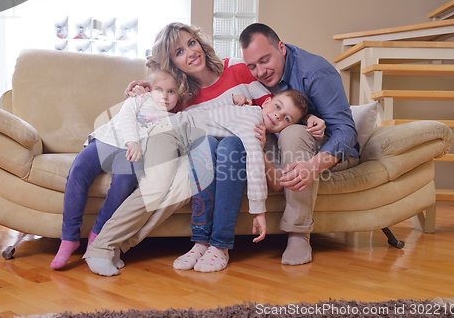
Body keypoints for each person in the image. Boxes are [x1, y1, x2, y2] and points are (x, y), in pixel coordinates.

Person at [83, 22, 325, 276]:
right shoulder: (181, 93)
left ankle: (120, 245)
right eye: (178, 52)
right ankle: (105, 247)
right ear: (172, 63)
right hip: (191, 149)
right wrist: (145, 88)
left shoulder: (238, 69)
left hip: (227, 155)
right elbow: (162, 110)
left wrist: (308, 118)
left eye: (191, 43)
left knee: (199, 169)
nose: (190, 53)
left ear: (200, 43)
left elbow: (279, 103)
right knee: (166, 182)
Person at [239, 23, 359, 266]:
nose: (260, 72)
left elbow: (346, 131)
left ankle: (299, 235)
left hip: (324, 150)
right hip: (275, 150)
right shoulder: (251, 73)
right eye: (252, 66)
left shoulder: (315, 72)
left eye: (265, 60)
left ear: (281, 48)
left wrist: (314, 165)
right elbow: (209, 76)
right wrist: (155, 86)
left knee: (292, 133)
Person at [50, 60, 185, 270]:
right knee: (78, 171)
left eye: (172, 92)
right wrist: (132, 141)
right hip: (108, 140)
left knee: (124, 182)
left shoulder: (173, 118)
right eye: (159, 90)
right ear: (150, 88)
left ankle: (98, 234)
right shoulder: (140, 98)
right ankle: (69, 237)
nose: (165, 97)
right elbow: (127, 117)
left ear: (180, 94)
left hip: (130, 154)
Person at [172, 88, 320, 272]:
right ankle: (200, 243)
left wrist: (261, 150)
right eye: (277, 106)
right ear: (265, 103)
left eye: (286, 118)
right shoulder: (248, 114)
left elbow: (276, 183)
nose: (277, 115)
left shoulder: (268, 140)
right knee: (206, 142)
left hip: (230, 161)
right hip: (196, 144)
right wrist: (259, 212)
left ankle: (219, 245)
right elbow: (205, 110)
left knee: (231, 145)